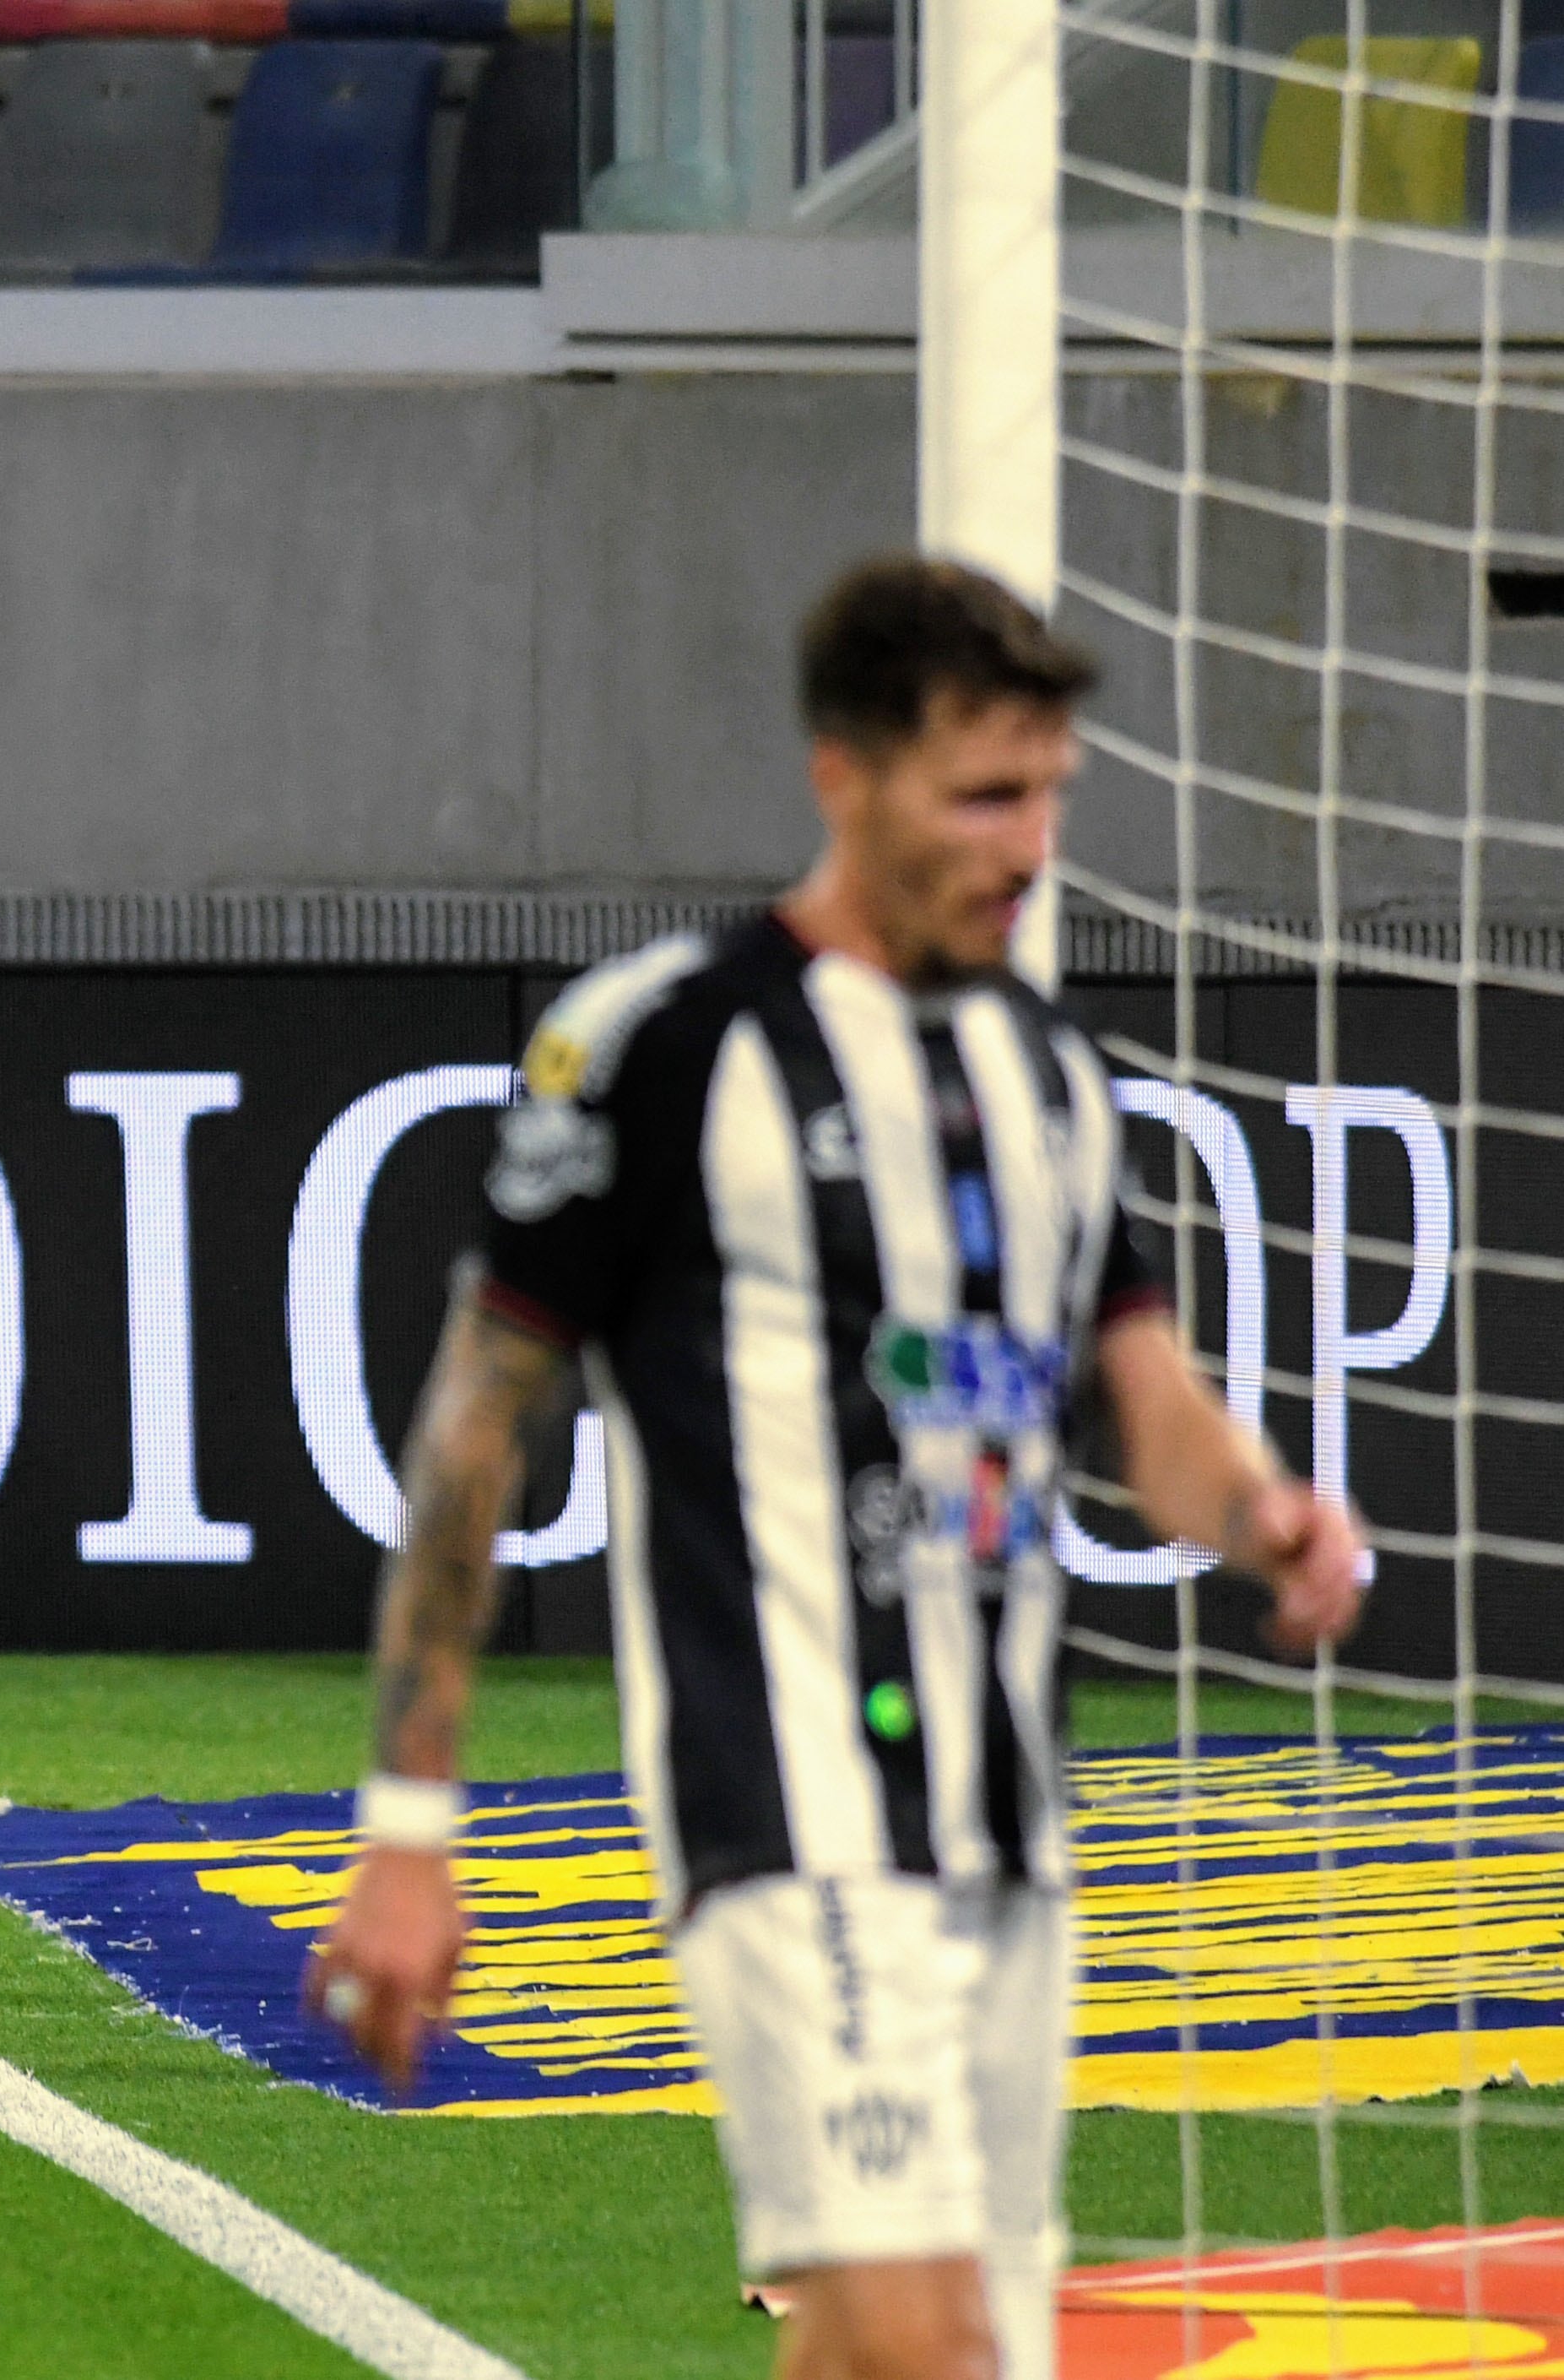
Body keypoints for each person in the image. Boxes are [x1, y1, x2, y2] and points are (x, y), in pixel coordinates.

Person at [306, 557, 1368, 2380]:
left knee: (903, 2353)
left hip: (1011, 1828)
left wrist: (1262, 1514)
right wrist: (411, 1827)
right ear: (843, 778)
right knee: (935, 2342)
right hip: (784, 1812)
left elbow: (1142, 1399)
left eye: (1047, 793)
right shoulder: (664, 1041)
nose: (1029, 844)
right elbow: (479, 1424)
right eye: (981, 795)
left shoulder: (1047, 1070)